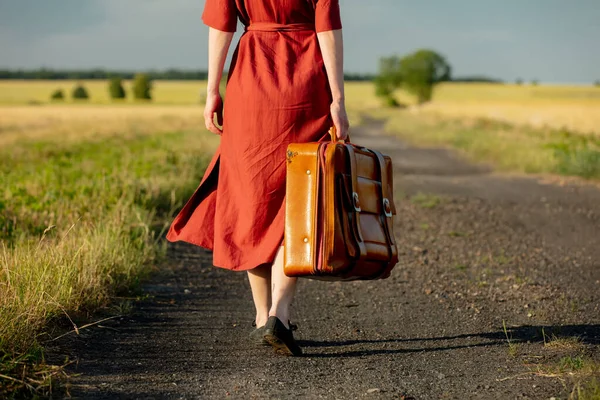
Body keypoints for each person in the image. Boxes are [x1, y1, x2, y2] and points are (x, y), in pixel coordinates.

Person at [166, 0, 349, 357]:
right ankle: (279, 313)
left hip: (251, 77)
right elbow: (328, 29)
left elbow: (221, 27)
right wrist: (338, 100)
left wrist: (211, 92)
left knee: (254, 199)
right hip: (305, 80)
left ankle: (261, 314)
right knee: (300, 198)